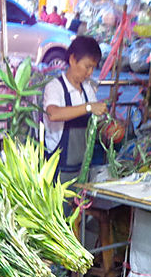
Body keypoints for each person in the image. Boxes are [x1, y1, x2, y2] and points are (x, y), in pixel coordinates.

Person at [43, 36, 108, 181]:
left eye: (93, 67)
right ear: (72, 60)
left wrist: (110, 129)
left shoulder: (87, 89)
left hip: (83, 169)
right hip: (58, 170)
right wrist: (89, 107)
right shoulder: (55, 87)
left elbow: (96, 122)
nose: (90, 72)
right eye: (87, 66)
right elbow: (53, 114)